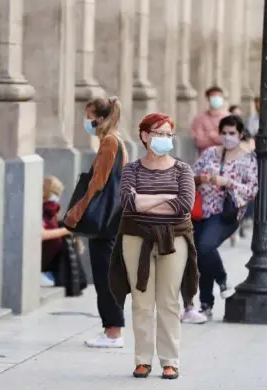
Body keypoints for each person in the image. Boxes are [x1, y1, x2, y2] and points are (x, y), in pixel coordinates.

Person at [109, 113, 197, 379]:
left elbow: (184, 206)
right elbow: (127, 203)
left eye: (169, 135)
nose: (165, 139)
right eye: (159, 134)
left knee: (169, 301)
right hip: (136, 239)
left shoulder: (183, 170)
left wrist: (145, 200)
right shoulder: (132, 170)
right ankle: (142, 360)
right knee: (141, 301)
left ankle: (170, 360)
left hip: (174, 239)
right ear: (145, 136)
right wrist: (165, 198)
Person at [64, 96, 127, 348]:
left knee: (104, 275)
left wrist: (76, 212)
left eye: (89, 116)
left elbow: (97, 184)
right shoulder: (114, 140)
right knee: (105, 274)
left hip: (104, 221)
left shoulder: (110, 142)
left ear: (100, 118)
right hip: (111, 219)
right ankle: (112, 330)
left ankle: (113, 332)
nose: (87, 121)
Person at [192, 115, 258, 317]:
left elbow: (251, 190)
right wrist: (201, 178)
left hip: (226, 213)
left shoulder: (248, 159)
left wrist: (227, 182)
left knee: (205, 246)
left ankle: (222, 280)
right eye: (224, 133)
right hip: (202, 210)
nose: (228, 137)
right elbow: (191, 175)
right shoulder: (210, 153)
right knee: (201, 254)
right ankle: (206, 303)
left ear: (240, 135)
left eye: (232, 133)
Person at [191, 86, 230, 155]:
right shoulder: (199, 119)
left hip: (226, 157)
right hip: (205, 158)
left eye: (219, 96)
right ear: (207, 98)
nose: (217, 99)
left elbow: (229, 140)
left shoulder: (229, 118)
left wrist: (210, 134)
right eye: (214, 97)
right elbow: (199, 142)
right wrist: (218, 137)